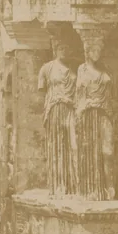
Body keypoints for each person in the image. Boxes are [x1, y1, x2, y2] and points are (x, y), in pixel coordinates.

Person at [75, 33, 115, 200]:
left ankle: (109, 187)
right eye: (95, 49)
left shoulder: (105, 70)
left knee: (108, 151)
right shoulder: (81, 70)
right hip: (89, 113)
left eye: (100, 49)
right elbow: (79, 94)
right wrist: (80, 111)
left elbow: (112, 94)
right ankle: (91, 190)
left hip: (104, 111)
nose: (98, 52)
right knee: (89, 151)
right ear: (88, 50)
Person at [37, 41, 77, 196]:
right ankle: (58, 186)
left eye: (67, 48)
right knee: (57, 146)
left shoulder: (75, 68)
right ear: (55, 49)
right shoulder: (46, 68)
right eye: (61, 48)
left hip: (71, 108)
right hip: (55, 108)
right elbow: (42, 92)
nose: (64, 51)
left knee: (74, 145)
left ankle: (74, 184)